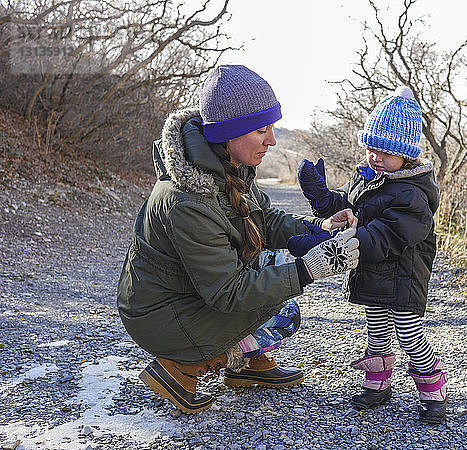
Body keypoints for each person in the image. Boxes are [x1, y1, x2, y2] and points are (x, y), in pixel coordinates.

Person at [116, 65, 359, 414]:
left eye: (272, 128)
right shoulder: (187, 199)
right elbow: (228, 292)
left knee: (275, 278)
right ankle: (180, 368)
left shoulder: (230, 163)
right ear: (230, 132)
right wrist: (309, 270)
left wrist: (322, 227)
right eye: (261, 129)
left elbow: (265, 220)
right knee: (276, 301)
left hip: (185, 296)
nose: (272, 140)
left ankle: (244, 367)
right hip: (160, 316)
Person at [296, 86, 447, 424]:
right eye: (371, 148)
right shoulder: (369, 176)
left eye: (386, 151)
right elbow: (349, 206)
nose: (375, 157)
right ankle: (378, 385)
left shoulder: (412, 193)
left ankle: (433, 388)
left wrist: (351, 242)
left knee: (409, 334)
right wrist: (321, 197)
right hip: (373, 271)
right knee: (376, 330)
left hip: (403, 276)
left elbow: (389, 233)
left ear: (405, 156)